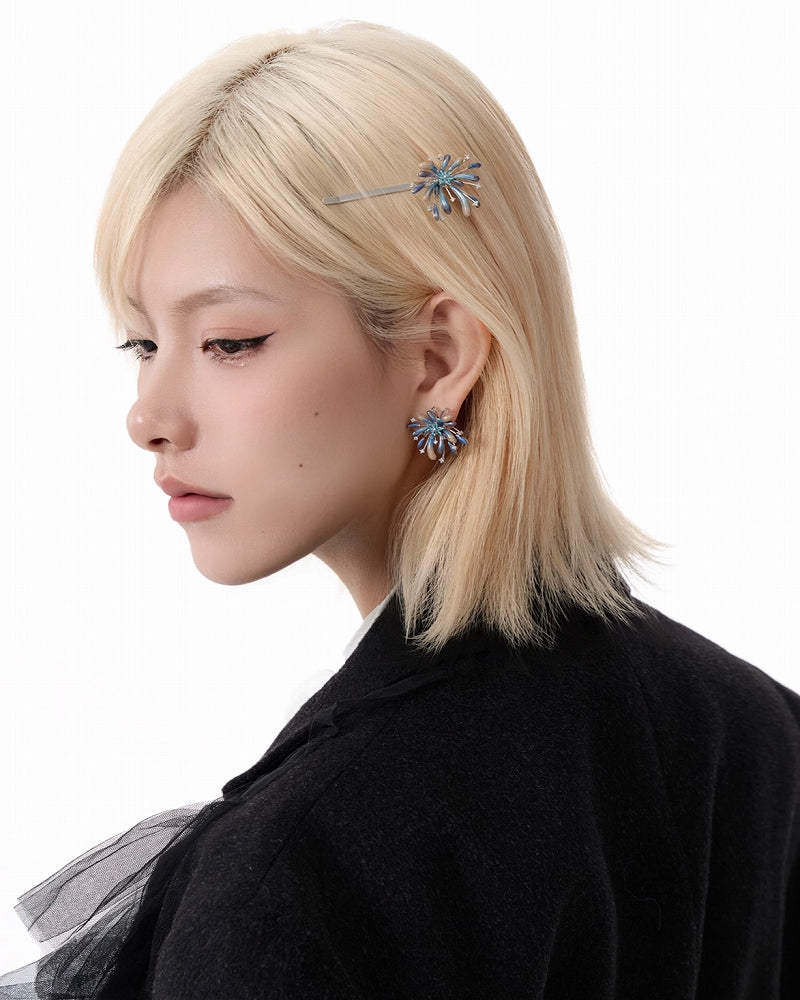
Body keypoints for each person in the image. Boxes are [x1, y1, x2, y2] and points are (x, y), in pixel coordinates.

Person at [2, 20, 798, 999]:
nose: (149, 418)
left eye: (229, 342)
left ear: (437, 357)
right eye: (141, 345)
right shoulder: (757, 733)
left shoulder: (302, 874)